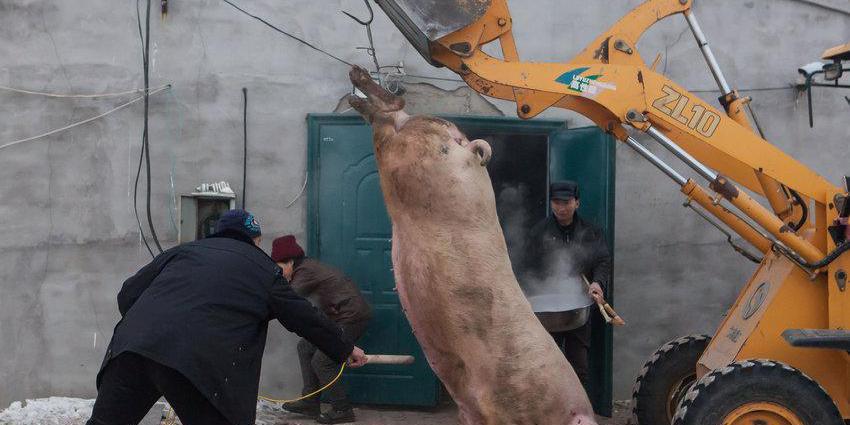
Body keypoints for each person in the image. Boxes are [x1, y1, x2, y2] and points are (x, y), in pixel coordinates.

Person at [87, 210, 367, 425]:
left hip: (129, 349)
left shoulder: (182, 252)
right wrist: (344, 347)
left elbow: (127, 294)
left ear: (218, 233)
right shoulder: (262, 268)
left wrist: (152, 329)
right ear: (255, 240)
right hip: (197, 363)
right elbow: (304, 317)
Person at [271, 235, 372, 424]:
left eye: (280, 268)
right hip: (339, 318)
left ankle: (343, 409)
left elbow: (287, 300)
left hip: (352, 317)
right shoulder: (304, 269)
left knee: (322, 361)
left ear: (290, 262)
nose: (279, 273)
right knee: (305, 347)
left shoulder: (305, 271)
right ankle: (310, 401)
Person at [526, 180, 611, 387]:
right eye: (556, 202)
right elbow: (529, 268)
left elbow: (602, 260)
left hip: (577, 309)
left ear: (577, 203)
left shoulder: (591, 232)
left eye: (566, 202)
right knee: (546, 364)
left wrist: (597, 283)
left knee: (579, 365)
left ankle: (578, 414)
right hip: (547, 310)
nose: (561, 207)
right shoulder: (539, 232)